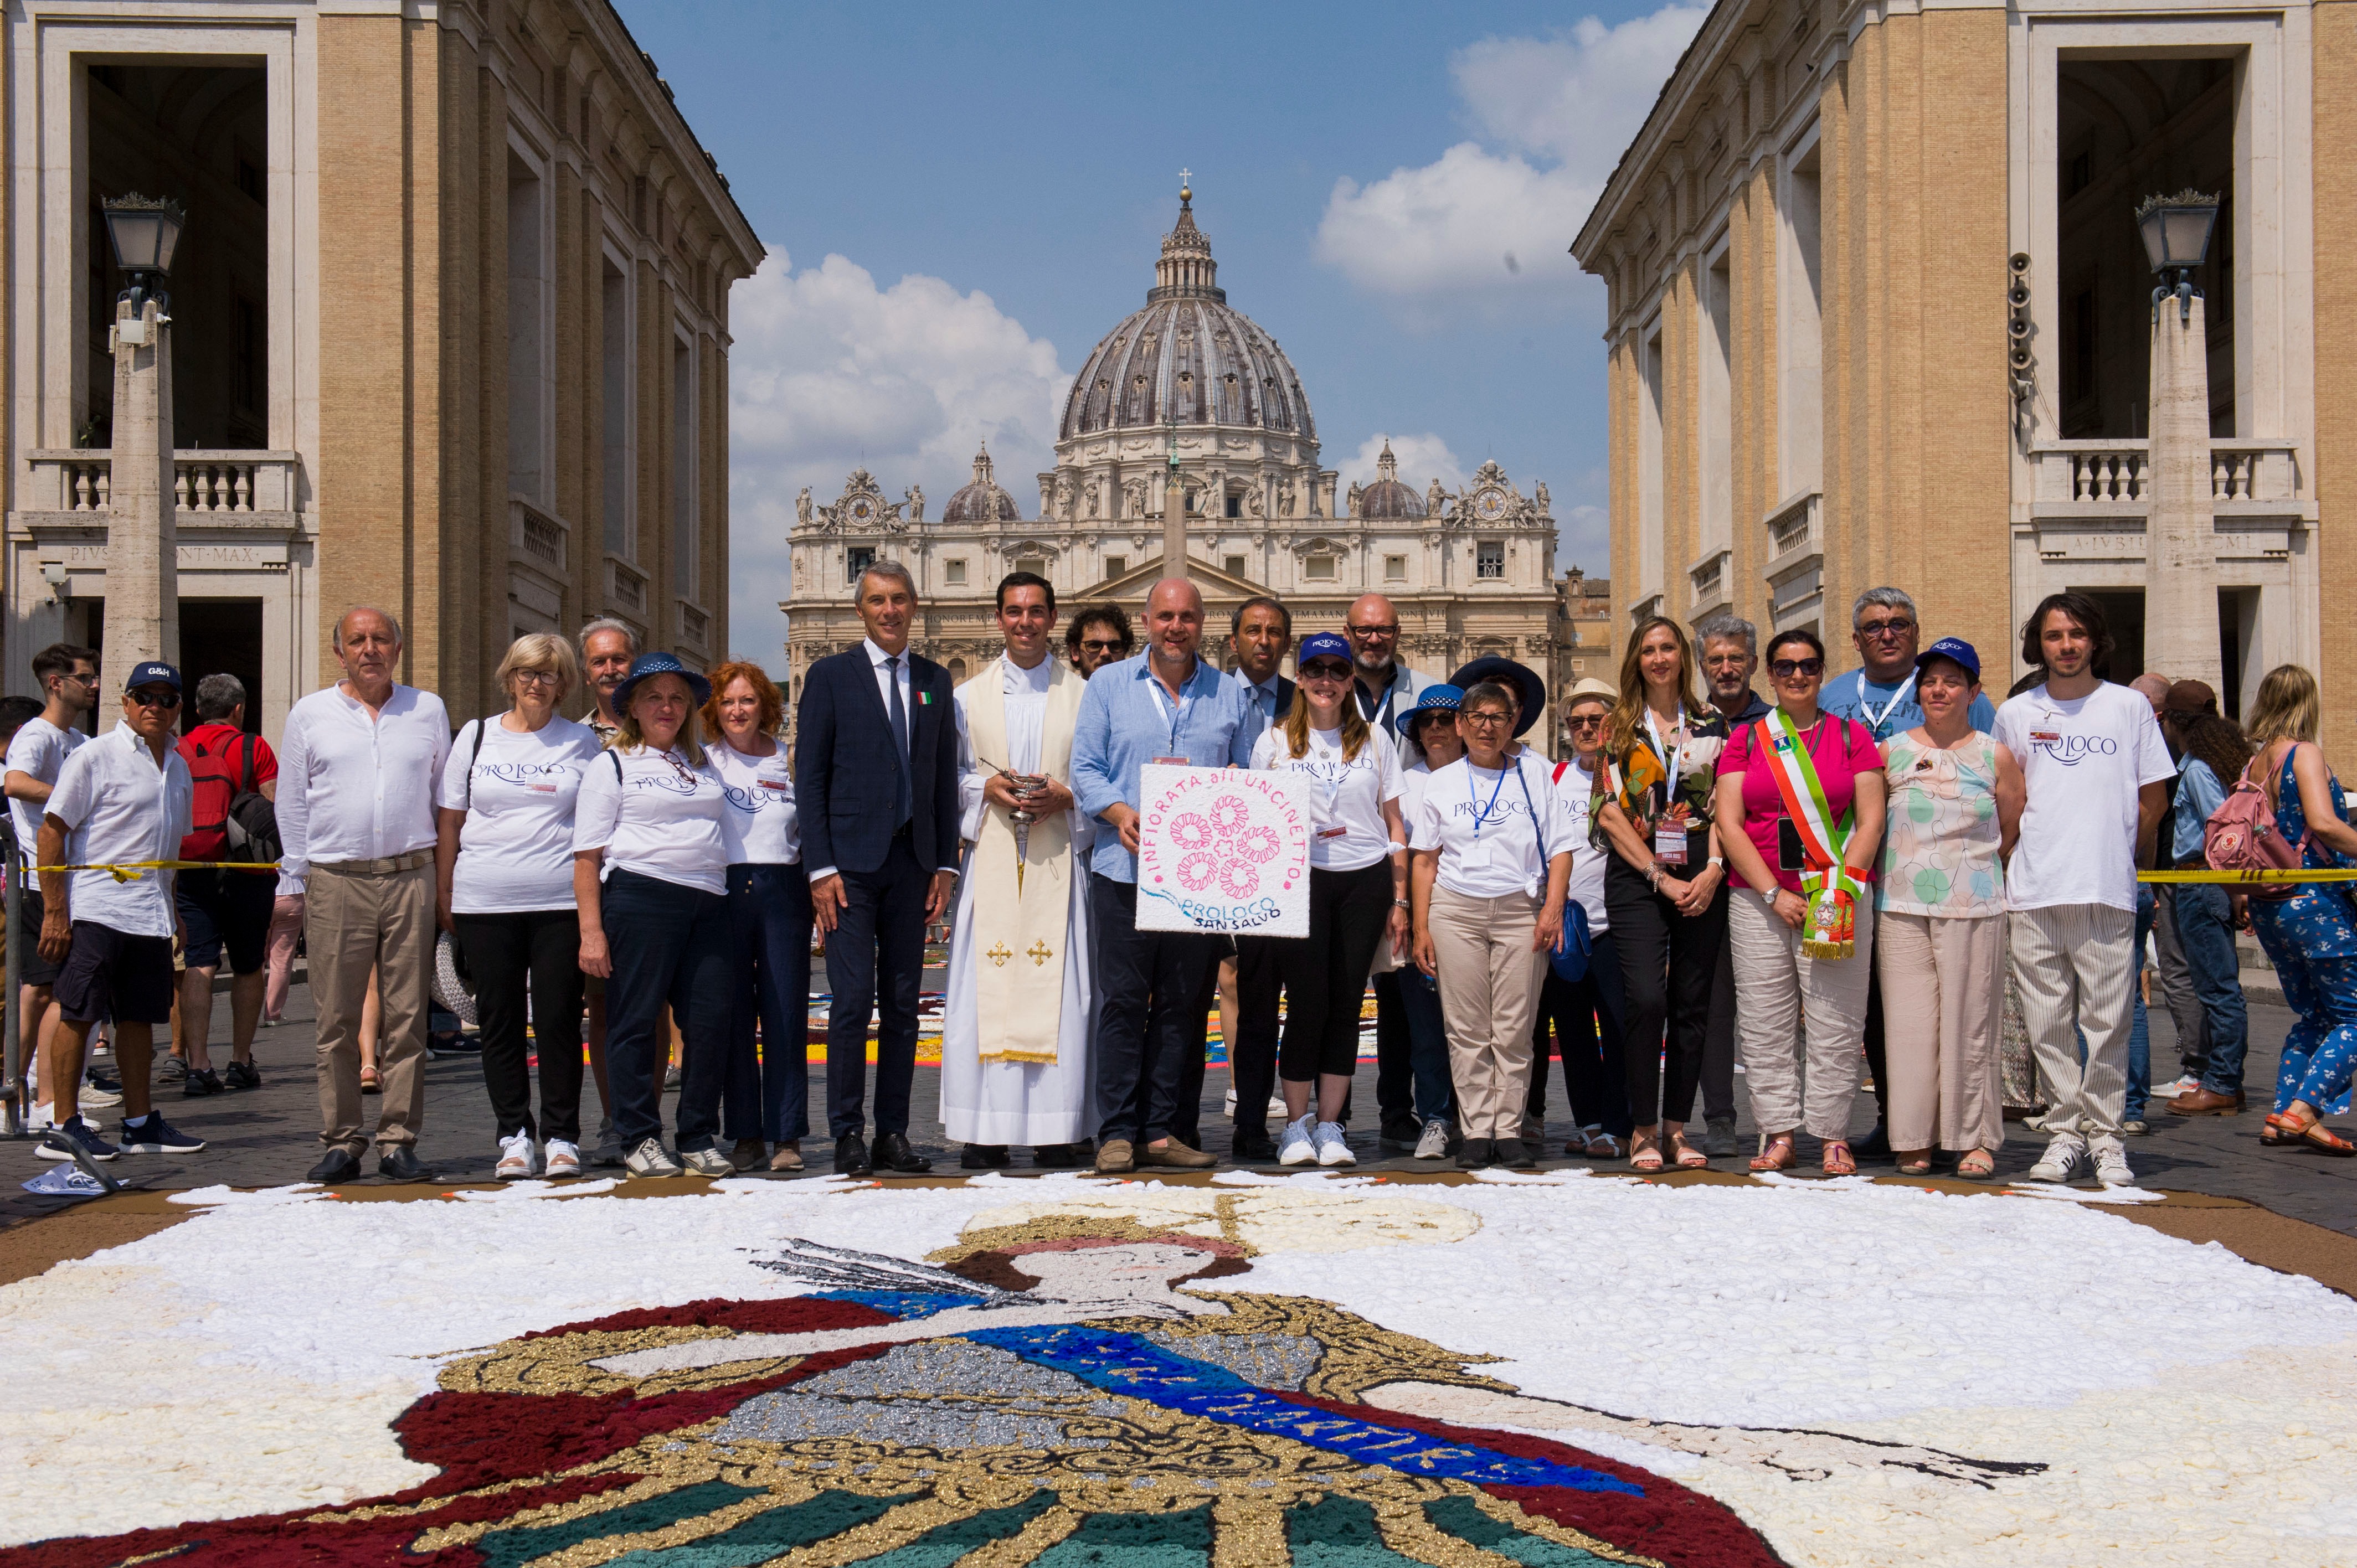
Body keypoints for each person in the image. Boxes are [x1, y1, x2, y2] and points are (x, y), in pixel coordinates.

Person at [1070, 577, 1260, 1173]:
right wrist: (1119, 811)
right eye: (1164, 617)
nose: (1175, 627)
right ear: (1146, 621)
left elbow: (1252, 775)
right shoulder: (1107, 685)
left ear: (1202, 624)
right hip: (1122, 869)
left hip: (1196, 880)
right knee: (1123, 1002)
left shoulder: (1230, 695)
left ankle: (1162, 1130)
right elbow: (1084, 768)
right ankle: (1116, 1131)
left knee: (1182, 1004)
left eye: (1187, 617)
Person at [1992, 593, 2174, 1187]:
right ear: (2037, 644)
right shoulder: (2016, 712)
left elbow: (2153, 798)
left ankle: (2107, 1137)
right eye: (2052, 636)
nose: (2064, 645)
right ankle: (2066, 1131)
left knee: (2107, 1023)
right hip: (2035, 887)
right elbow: (2009, 800)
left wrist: (2117, 852)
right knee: (2046, 1024)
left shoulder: (2127, 708)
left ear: (2093, 640)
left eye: (2074, 634)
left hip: (2103, 887)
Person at [1818, 588, 1997, 1160]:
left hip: (1952, 886)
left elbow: (2005, 802)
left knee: (1960, 1014)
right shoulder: (1833, 695)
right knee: (1887, 1014)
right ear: (1856, 640)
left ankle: (1956, 1130)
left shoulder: (1979, 715)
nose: (1885, 634)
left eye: (1897, 624)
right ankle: (1898, 1121)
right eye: (1873, 627)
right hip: (1862, 879)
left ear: (1914, 634)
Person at [796, 562, 961, 1177]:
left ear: (914, 606)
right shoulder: (830, 676)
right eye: (877, 601)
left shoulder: (933, 680)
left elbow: (943, 778)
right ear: (859, 611)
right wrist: (819, 867)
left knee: (900, 1003)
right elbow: (809, 778)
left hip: (913, 863)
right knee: (850, 1001)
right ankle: (846, 1132)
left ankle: (892, 1130)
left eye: (898, 600)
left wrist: (944, 863)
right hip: (848, 869)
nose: (889, 611)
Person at [278, 608, 452, 1184]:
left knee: (407, 1017)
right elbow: (293, 801)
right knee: (335, 1018)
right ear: (340, 652)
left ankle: (399, 1139)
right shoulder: (310, 714)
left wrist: (443, 877)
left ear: (398, 649)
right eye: (358, 640)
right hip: (337, 878)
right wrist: (297, 878)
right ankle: (342, 1139)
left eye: (381, 639)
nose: (370, 649)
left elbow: (442, 796)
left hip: (410, 875)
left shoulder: (426, 710)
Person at [1713, 628, 1887, 1174]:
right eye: (1785, 667)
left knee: (1836, 1017)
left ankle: (1833, 1133)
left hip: (1836, 893)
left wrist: (1839, 888)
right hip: (1757, 899)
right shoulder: (1744, 740)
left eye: (1807, 666)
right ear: (1769, 674)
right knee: (1765, 1022)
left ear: (1820, 671)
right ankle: (1777, 1131)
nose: (1796, 676)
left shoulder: (1849, 736)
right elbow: (1728, 822)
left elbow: (1871, 817)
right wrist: (1772, 892)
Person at [434, 635, 602, 1180]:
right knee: (500, 1023)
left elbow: (599, 825)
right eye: (527, 673)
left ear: (564, 684)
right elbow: (451, 822)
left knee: (556, 1022)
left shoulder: (582, 743)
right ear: (510, 677)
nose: (536, 683)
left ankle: (560, 1137)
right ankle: (513, 1134)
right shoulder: (476, 738)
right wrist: (445, 893)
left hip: (559, 903)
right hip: (485, 900)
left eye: (549, 674)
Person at [944, 571, 1096, 1168]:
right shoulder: (966, 699)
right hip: (994, 859)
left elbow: (1096, 773)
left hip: (1058, 860)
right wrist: (987, 787)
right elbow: (949, 777)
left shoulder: (1083, 694)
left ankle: (1058, 1128)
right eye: (1014, 611)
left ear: (1053, 619)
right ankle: (985, 1130)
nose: (1025, 622)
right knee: (986, 991)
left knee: (1061, 992)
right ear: (998, 618)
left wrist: (1069, 796)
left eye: (1036, 611)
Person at [32, 662, 203, 1163]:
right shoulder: (95, 756)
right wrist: (55, 911)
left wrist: (174, 910)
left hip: (149, 912)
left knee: (138, 1019)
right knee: (79, 1012)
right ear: (126, 704)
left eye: (166, 698)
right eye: (143, 696)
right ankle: (63, 1127)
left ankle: (140, 1122)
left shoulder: (179, 764)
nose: (154, 706)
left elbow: (166, 846)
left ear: (178, 709)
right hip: (96, 909)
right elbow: (51, 831)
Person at [574, 652, 734, 1177]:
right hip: (641, 897)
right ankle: (638, 1135)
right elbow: (587, 856)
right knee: (635, 1022)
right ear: (633, 708)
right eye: (654, 698)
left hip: (707, 901)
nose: (667, 707)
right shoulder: (613, 764)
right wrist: (591, 932)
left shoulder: (704, 762)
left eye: (677, 699)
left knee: (708, 1023)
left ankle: (696, 1134)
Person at [1252, 632, 1407, 1168]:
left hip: (1363, 879)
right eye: (1314, 670)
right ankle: (1294, 1126)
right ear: (1300, 679)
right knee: (1306, 1003)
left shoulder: (1374, 742)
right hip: (1301, 877)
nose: (1325, 680)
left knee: (1345, 1005)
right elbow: (1253, 816)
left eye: (1336, 671)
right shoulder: (1273, 742)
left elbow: (1394, 824)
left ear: (1348, 681)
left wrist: (1400, 897)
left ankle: (1330, 1126)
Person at [1409, 678, 1576, 1170]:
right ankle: (1477, 1129)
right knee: (1466, 1027)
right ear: (1461, 725)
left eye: (1497, 718)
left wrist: (1553, 909)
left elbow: (1562, 850)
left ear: (1511, 725)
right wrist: (1421, 927)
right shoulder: (1441, 782)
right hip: (1456, 911)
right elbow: (1424, 860)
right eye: (1477, 718)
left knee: (1515, 1027)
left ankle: (1509, 1128)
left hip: (1520, 910)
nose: (1486, 727)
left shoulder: (1534, 774)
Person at [1873, 638, 2020, 1180]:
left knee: (1971, 1025)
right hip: (1900, 904)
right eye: (1930, 681)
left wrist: (1980, 864)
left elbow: (2011, 817)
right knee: (1909, 1025)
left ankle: (1973, 1139)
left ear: (1973, 691)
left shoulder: (1992, 753)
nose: (1939, 690)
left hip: (1974, 904)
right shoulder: (1889, 752)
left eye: (1951, 681)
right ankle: (1912, 1138)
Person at [1592, 617, 1728, 1172]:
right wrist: (1658, 877)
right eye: (1647, 649)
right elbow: (1606, 811)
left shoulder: (1711, 722)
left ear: (1682, 656)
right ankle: (1641, 1128)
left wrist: (1715, 866)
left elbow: (1725, 803)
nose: (1658, 658)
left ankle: (1675, 1129)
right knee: (1646, 1000)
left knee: (1692, 1006)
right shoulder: (1617, 726)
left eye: (1667, 647)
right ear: (1635, 660)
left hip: (1700, 871)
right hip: (1637, 874)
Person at [2237, 666, 2357, 1154]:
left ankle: (2282, 1117)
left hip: (2271, 905)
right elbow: (2324, 824)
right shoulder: (2303, 754)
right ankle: (2303, 1110)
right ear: (2309, 702)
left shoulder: (2253, 765)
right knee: (2354, 1014)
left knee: (2313, 1015)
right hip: (2316, 904)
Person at [701, 661, 811, 1173]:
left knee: (785, 1012)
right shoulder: (701, 762)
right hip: (723, 892)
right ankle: (746, 1132)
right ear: (714, 710)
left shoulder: (790, 760)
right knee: (734, 1018)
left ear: (765, 705)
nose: (737, 711)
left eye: (747, 701)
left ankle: (787, 1133)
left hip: (782, 890)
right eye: (727, 702)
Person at [1344, 592, 1435, 1152]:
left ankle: (1401, 1111)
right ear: (1347, 632)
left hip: (1410, 858)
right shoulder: (1323, 691)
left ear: (1398, 634)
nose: (1372, 639)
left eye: (1382, 630)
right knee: (1341, 991)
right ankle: (1332, 1112)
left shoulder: (1426, 692)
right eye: (1363, 630)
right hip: (1347, 860)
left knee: (1406, 993)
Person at [1529, 678, 1634, 1160]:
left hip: (1618, 924)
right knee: (1571, 1031)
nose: (1588, 729)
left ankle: (1620, 1124)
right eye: (1578, 722)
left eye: (1598, 720)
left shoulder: (1633, 773)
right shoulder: (1553, 778)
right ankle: (1590, 1123)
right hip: (1565, 927)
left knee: (1618, 1028)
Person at [1214, 596, 1293, 1160]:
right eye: (1252, 631)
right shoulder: (1208, 694)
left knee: (1289, 995)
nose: (1262, 641)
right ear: (1234, 638)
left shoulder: (1307, 698)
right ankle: (1244, 1112)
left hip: (1290, 864)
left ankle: (1291, 1116)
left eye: (1273, 633)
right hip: (1220, 861)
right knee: (1234, 989)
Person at [172, 675, 277, 1098]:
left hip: (192, 866)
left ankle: (198, 1064)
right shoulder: (253, 747)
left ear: (198, 710)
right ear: (239, 709)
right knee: (249, 965)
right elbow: (271, 810)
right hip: (248, 870)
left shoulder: (177, 749)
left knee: (199, 961)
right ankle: (241, 1058)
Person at [7, 642, 97, 1125]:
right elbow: (15, 783)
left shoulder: (80, 742)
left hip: (71, 880)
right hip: (38, 883)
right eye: (86, 677)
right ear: (57, 684)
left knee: (60, 992)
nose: (95, 685)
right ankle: (27, 1097)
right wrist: (71, 798)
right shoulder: (37, 735)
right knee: (42, 993)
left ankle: (43, 1095)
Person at [1692, 615, 1769, 1157]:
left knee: (1770, 1006)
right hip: (1702, 882)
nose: (1726, 668)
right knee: (1713, 1008)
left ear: (1752, 665)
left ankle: (1776, 1117)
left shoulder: (1778, 725)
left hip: (1763, 880)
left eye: (1735, 658)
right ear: (1701, 666)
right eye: (1716, 659)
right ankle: (1719, 1115)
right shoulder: (1682, 726)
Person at [2159, 683, 2253, 1118]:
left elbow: (2225, 832)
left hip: (2202, 880)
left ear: (2177, 723)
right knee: (2219, 986)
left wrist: (2234, 889)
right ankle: (2225, 1080)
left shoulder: (2197, 770)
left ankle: (2220, 1083)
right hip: (2206, 883)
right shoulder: (2214, 762)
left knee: (2216, 988)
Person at [1393, 685, 1464, 1158]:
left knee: (1481, 1025)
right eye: (1427, 721)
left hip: (1473, 909)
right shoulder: (1404, 783)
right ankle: (1436, 1117)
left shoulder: (1490, 775)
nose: (1435, 727)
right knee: (1426, 1027)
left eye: (1445, 717)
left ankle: (1486, 1119)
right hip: (1422, 914)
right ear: (1417, 733)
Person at [576, 618, 637, 1162]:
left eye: (618, 659)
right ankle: (614, 1118)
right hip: (594, 893)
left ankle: (650, 1120)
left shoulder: (664, 731)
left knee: (657, 1006)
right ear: (585, 671)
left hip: (650, 891)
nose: (610, 669)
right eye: (599, 661)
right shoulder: (571, 739)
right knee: (601, 1009)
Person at [1065, 604, 1135, 679]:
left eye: (1114, 646)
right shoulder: (1063, 690)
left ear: (1125, 651)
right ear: (1075, 652)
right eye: (1094, 646)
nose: (1106, 653)